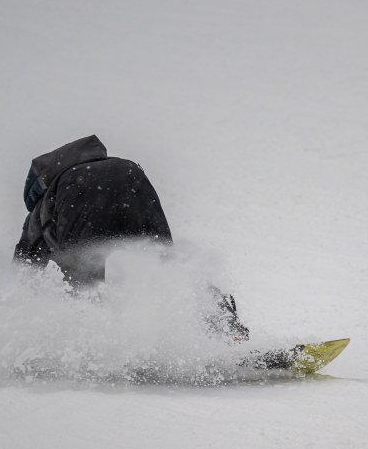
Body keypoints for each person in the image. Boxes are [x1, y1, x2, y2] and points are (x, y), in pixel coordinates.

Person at [13, 135, 249, 341]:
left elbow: (27, 263)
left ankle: (89, 349)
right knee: (169, 267)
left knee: (83, 280)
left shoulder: (46, 200)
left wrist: (21, 308)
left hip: (80, 191)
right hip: (132, 176)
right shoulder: (115, 165)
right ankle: (227, 331)